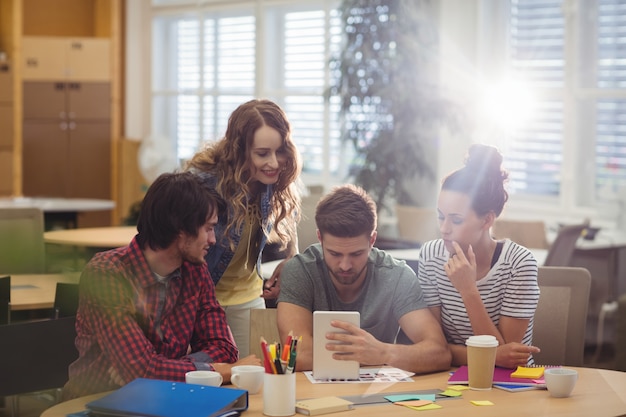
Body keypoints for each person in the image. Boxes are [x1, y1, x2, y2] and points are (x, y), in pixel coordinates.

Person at [63, 172, 260, 400]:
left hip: (166, 399)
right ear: (179, 228)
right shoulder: (107, 274)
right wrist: (215, 371)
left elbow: (225, 348)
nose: (213, 240)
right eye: (207, 228)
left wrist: (170, 369)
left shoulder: (195, 270)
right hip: (98, 401)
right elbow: (141, 370)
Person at [276, 184, 451, 373]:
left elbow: (439, 353)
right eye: (334, 253)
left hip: (378, 397)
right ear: (320, 238)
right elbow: (298, 356)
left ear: (372, 240)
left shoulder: (397, 275)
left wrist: (382, 353)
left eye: (356, 254)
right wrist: (367, 355)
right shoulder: (300, 271)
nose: (345, 265)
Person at [185, 99, 301, 357]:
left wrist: (291, 259)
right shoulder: (203, 183)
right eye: (262, 153)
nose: (274, 162)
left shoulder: (272, 180)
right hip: (203, 304)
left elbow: (289, 224)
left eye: (280, 150)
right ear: (239, 151)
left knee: (257, 381)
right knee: (212, 384)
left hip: (249, 299)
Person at [417, 144, 541, 369]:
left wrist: (468, 290)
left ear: (487, 220)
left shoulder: (518, 264)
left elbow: (508, 361)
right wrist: (492, 354)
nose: (444, 229)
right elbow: (433, 349)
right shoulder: (431, 256)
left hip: (511, 385)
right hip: (451, 379)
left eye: (456, 220)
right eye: (440, 216)